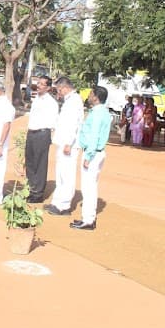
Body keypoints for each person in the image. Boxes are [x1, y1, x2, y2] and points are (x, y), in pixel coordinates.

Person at [70, 85, 112, 231]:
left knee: (88, 188)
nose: (88, 96)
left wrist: (88, 156)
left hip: (92, 153)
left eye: (91, 94)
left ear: (96, 97)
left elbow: (94, 136)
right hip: (97, 152)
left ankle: (88, 220)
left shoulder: (97, 114)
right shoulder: (103, 112)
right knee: (90, 186)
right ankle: (88, 218)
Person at [45, 76, 84, 217]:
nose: (58, 93)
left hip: (69, 144)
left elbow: (74, 124)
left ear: (65, 88)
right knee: (60, 174)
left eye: (59, 90)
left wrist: (68, 142)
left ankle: (64, 205)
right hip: (63, 142)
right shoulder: (69, 101)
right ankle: (57, 202)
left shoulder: (74, 101)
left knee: (67, 174)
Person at [24, 75, 59, 203]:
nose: (38, 85)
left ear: (48, 88)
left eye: (42, 84)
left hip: (42, 134)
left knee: (40, 164)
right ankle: (30, 189)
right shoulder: (36, 99)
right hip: (32, 133)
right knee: (30, 162)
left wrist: (50, 137)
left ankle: (38, 194)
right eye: (38, 83)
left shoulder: (51, 103)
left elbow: (53, 122)